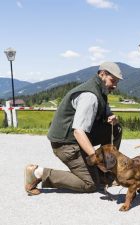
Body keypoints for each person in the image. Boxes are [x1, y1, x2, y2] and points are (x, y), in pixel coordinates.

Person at [24, 62, 123, 195]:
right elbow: (78, 131)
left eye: (117, 82)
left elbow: (105, 111)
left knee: (116, 129)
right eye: (113, 80)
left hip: (76, 138)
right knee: (90, 184)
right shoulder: (90, 96)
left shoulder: (101, 90)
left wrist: (111, 117)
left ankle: (106, 172)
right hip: (66, 144)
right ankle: (38, 173)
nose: (115, 85)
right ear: (102, 74)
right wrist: (95, 159)